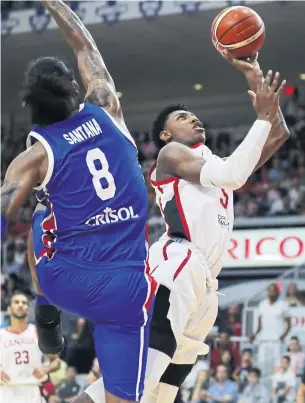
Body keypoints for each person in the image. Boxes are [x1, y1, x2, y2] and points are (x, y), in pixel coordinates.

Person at [79, 57, 289, 403]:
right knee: (136, 381)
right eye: (181, 116)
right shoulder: (172, 154)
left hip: (207, 280)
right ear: (165, 134)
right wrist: (263, 118)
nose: (193, 117)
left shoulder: (215, 164)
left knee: (165, 390)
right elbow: (236, 175)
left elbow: (279, 133)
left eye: (193, 114)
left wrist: (253, 74)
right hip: (179, 259)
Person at [0, 1, 156, 402]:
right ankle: (47, 311)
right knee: (122, 396)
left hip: (67, 282)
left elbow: (2, 214)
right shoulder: (106, 103)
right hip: (126, 284)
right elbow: (85, 47)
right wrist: (55, 3)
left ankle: (44, 307)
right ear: (73, 87)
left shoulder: (32, 158)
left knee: (40, 213)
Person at [0, 293, 60, 403]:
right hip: (7, 391)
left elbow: (56, 361)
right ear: (9, 309)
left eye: (24, 303)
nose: (21, 305)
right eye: (16, 302)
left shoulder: (36, 332)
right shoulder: (1, 335)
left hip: (33, 391)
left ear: (28, 309)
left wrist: (45, 368)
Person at [250, 283, 291, 376]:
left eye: (273, 291)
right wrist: (255, 335)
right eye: (269, 291)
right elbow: (260, 326)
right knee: (262, 363)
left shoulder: (283, 305)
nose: (271, 293)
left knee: (277, 364)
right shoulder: (262, 304)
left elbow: (289, 325)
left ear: (278, 293)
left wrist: (283, 336)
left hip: (277, 341)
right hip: (264, 340)